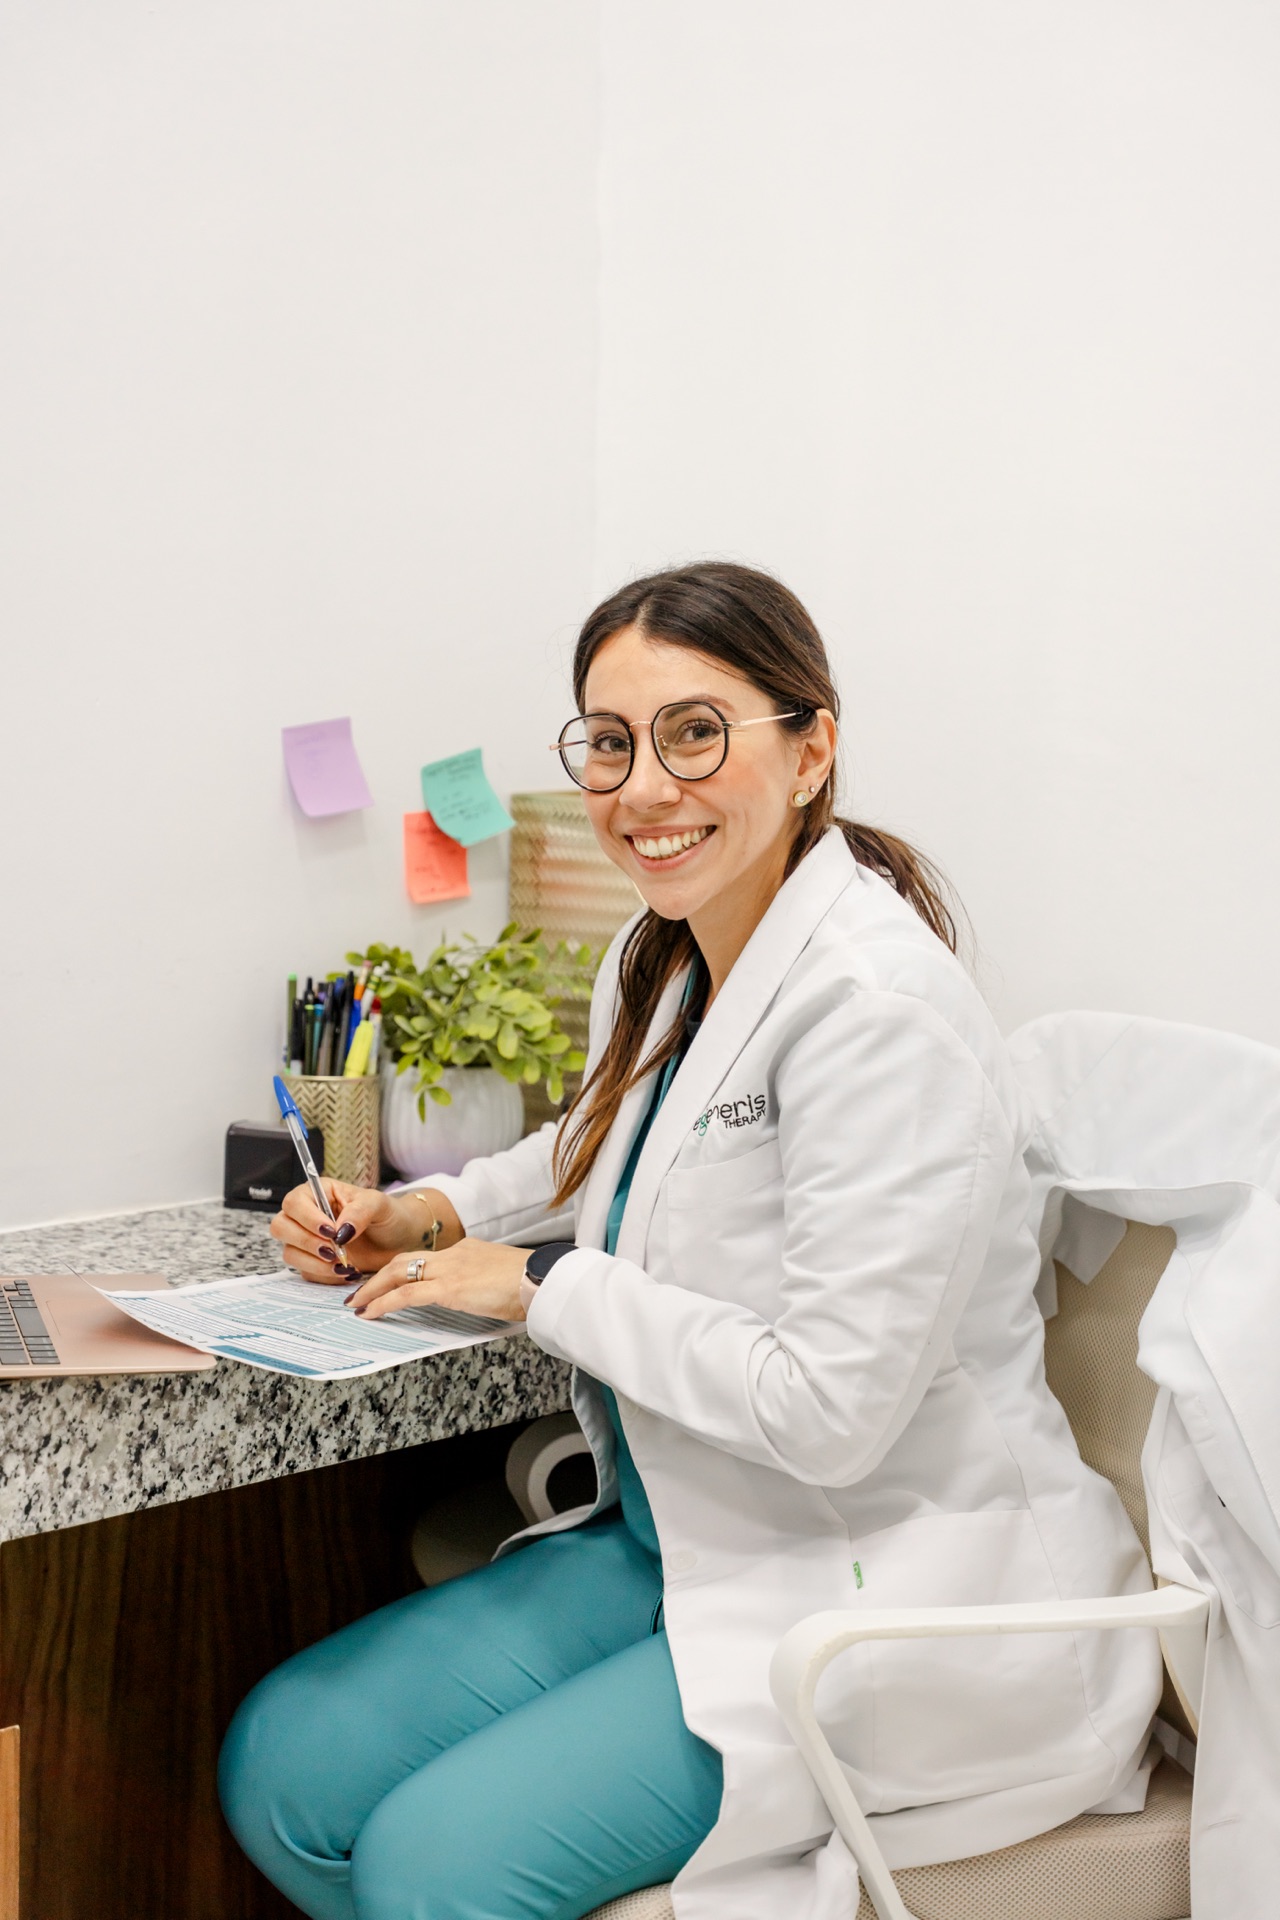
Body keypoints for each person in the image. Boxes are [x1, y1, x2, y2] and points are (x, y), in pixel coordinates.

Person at [220, 563, 1161, 1920]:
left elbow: (831, 1412)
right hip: (688, 1541)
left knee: (432, 1869)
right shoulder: (667, 955)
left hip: (882, 1591)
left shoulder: (877, 1012)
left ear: (810, 747)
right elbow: (606, 1143)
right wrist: (427, 1212)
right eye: (610, 742)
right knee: (284, 1770)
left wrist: (542, 1286)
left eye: (696, 732)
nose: (643, 787)